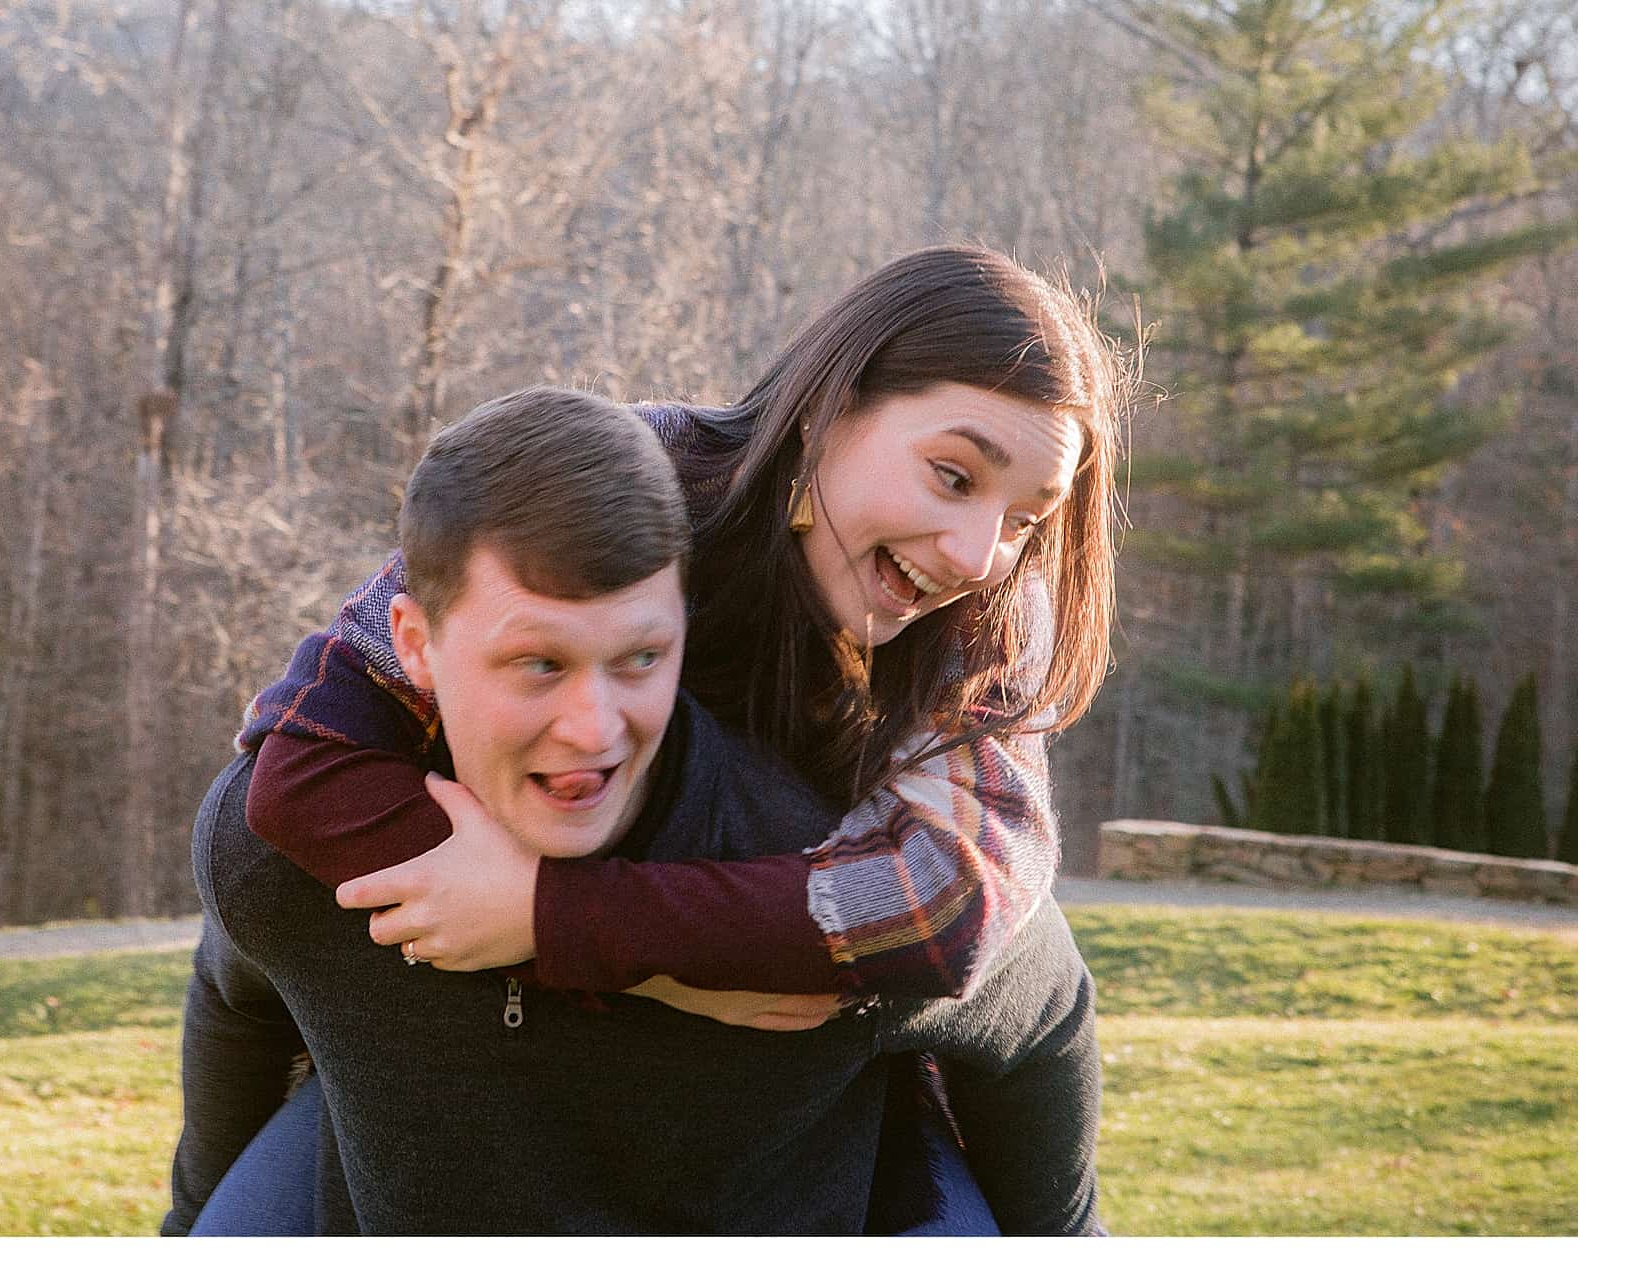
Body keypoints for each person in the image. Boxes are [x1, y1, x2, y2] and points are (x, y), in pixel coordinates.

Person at [167, 379, 1103, 1236]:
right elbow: (236, 979)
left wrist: (568, 923)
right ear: (414, 645)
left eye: (638, 658)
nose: (591, 726)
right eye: (538, 662)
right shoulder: (315, 848)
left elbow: (1038, 1002)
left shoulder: (823, 912)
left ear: (683, 638)